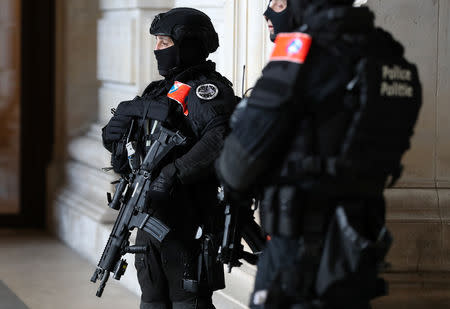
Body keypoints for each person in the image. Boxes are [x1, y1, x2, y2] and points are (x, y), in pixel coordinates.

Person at [217, 0, 422, 308]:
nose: (271, 9)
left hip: (298, 250)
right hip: (361, 242)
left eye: (278, 1)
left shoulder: (303, 55)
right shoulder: (390, 56)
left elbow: (235, 167)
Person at [102, 7, 237, 309]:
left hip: (188, 215)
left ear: (187, 43)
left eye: (164, 42)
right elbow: (133, 144)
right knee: (152, 297)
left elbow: (219, 137)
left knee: (187, 299)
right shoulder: (160, 91)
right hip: (150, 212)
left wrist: (171, 174)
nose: (156, 49)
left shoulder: (206, 90)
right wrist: (117, 136)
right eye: (156, 42)